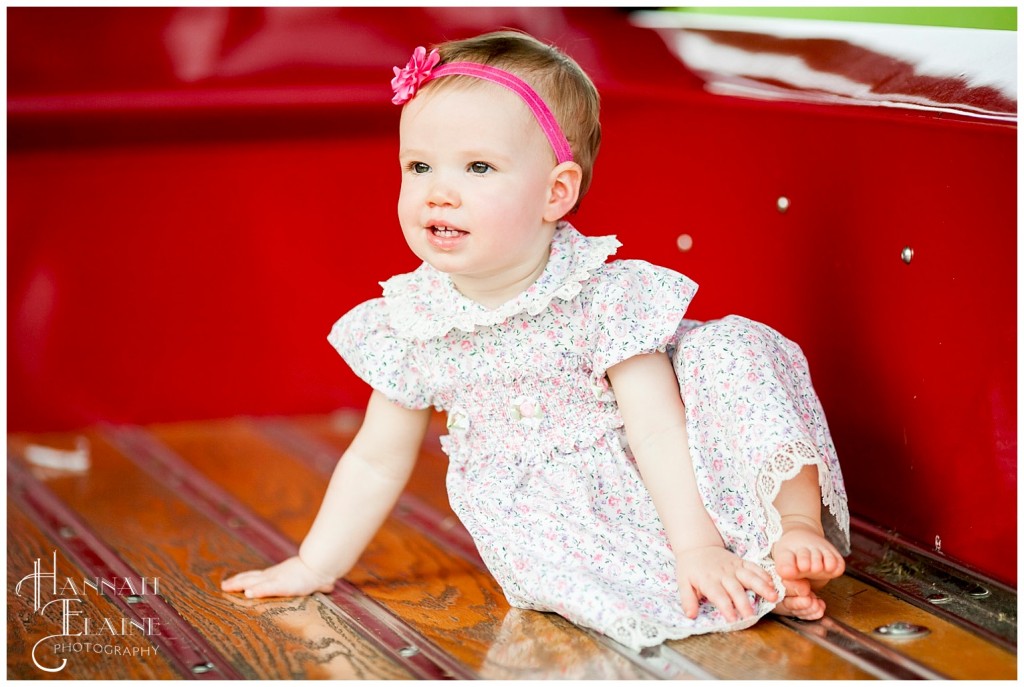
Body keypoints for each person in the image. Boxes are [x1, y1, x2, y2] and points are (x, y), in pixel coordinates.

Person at [222, 30, 849, 651]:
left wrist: (698, 544)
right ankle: (761, 580)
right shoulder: (412, 321)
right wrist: (314, 566)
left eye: (478, 167)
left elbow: (657, 429)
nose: (438, 190)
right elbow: (376, 458)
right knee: (606, 581)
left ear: (556, 192)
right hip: (549, 506)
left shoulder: (602, 298)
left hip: (685, 464)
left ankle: (784, 530)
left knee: (731, 347)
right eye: (418, 166)